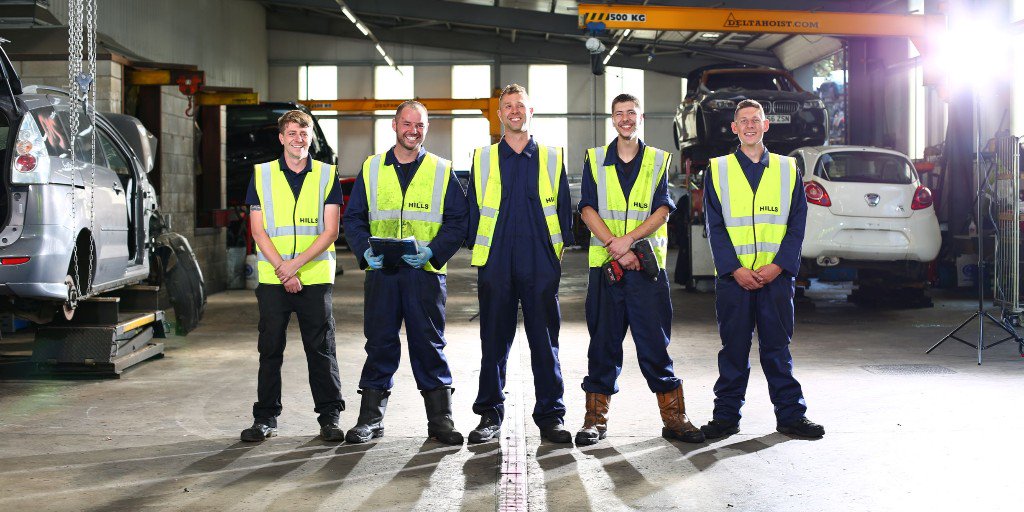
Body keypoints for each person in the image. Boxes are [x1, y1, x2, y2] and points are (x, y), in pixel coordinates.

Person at [575, 94, 704, 446]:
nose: (625, 119)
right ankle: (594, 421)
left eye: (631, 113)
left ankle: (675, 418)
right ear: (612, 119)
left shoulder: (659, 160)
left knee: (655, 346)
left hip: (647, 272)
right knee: (602, 344)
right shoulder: (594, 159)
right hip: (607, 270)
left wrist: (627, 242)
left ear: (640, 117)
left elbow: (663, 210)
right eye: (619, 114)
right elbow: (587, 209)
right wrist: (615, 249)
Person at [342, 101, 467, 445]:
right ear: (394, 125)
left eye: (420, 125)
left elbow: (459, 221)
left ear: (427, 128)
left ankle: (441, 420)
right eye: (407, 123)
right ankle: (370, 419)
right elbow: (353, 218)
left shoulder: (442, 170)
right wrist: (364, 252)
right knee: (380, 343)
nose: (413, 130)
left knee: (429, 345)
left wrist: (433, 252)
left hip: (424, 274)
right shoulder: (372, 167)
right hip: (382, 273)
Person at [701, 99, 825, 439]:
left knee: (777, 351)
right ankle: (725, 418)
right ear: (735, 128)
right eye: (744, 120)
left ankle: (791, 417)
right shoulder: (719, 169)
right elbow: (715, 225)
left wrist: (780, 266)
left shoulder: (788, 169)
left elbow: (797, 224)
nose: (750, 125)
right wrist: (734, 269)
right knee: (734, 352)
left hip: (776, 279)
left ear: (766, 125)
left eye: (756, 119)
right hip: (734, 280)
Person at [466, 84, 574, 444]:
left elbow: (562, 210)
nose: (514, 111)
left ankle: (551, 415)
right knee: (493, 339)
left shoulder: (552, 157)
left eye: (520, 105)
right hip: (496, 260)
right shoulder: (482, 158)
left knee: (545, 341)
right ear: (499, 116)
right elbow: (472, 211)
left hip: (540, 261)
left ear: (532, 112)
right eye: (507, 106)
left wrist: (554, 256)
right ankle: (489, 415)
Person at [241, 110, 345, 443]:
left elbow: (330, 232)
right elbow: (258, 231)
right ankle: (265, 418)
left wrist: (294, 266)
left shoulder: (327, 175)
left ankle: (329, 417)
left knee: (321, 349)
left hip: (313, 277)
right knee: (270, 349)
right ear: (282, 138)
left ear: (310, 136)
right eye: (293, 134)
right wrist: (283, 271)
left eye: (305, 133)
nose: (299, 139)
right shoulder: (261, 175)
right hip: (275, 279)